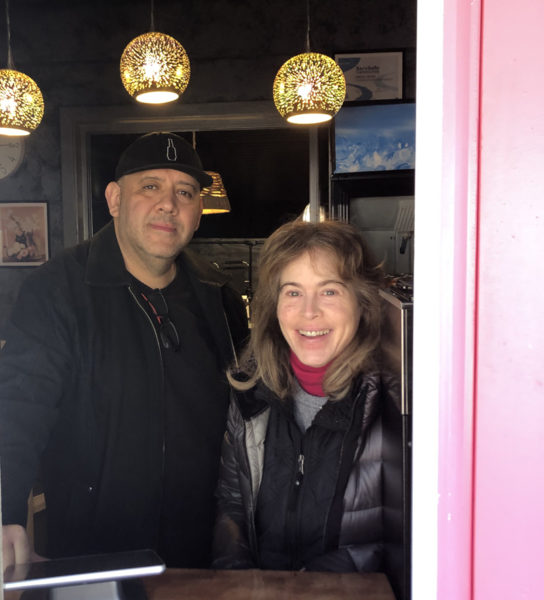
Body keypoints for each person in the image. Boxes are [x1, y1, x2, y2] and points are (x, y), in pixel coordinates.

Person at [0, 132, 248, 570]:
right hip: (89, 551)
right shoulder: (56, 291)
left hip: (199, 556)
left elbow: (245, 418)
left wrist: (238, 518)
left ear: (197, 213)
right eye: (150, 186)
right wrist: (4, 513)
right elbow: (17, 408)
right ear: (115, 200)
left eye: (185, 192)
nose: (168, 204)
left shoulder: (219, 297)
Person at [212, 219, 401, 575]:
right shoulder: (250, 393)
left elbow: (407, 543)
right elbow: (232, 504)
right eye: (293, 292)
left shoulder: (395, 406)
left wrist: (308, 587)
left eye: (329, 291)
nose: (309, 312)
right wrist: (239, 579)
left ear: (361, 303)